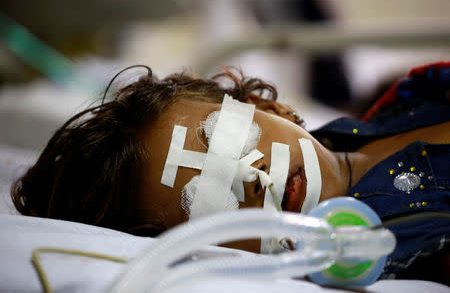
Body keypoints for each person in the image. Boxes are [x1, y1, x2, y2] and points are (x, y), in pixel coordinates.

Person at [11, 63, 450, 284]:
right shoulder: (408, 247)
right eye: (211, 199)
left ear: (268, 108)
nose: (254, 176)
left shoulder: (410, 99)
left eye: (230, 138)